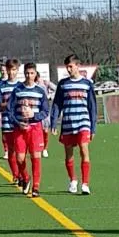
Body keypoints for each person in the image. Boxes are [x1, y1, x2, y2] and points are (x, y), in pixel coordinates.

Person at [50, 54, 97, 194]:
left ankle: (85, 183)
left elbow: (92, 106)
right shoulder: (63, 84)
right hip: (68, 123)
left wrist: (93, 127)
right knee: (69, 154)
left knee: (84, 149)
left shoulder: (87, 84)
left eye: (71, 66)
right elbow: (57, 104)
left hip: (83, 122)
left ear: (78, 65)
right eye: (67, 67)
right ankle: (73, 180)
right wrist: (54, 122)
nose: (69, 69)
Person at [8, 64, 51, 196]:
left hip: (35, 128)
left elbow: (45, 111)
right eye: (27, 73)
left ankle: (36, 187)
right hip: (20, 128)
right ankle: (26, 178)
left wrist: (34, 116)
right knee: (20, 158)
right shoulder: (17, 90)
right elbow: (10, 110)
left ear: (35, 74)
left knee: (35, 156)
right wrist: (17, 122)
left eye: (32, 73)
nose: (29, 76)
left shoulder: (40, 91)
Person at [0, 59, 23, 183]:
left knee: (20, 151)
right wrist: (10, 104)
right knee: (11, 150)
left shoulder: (21, 86)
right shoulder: (1, 87)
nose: (11, 72)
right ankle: (16, 174)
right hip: (7, 122)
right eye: (9, 69)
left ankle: (22, 173)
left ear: (17, 70)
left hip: (19, 122)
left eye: (14, 69)